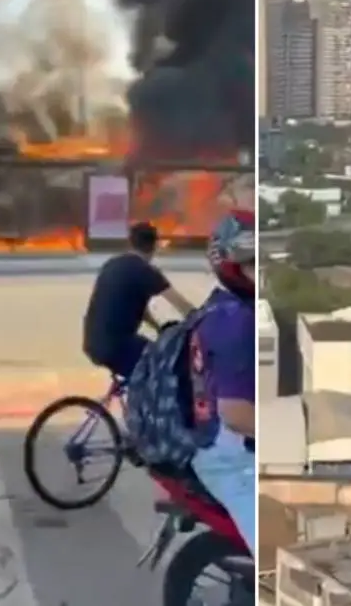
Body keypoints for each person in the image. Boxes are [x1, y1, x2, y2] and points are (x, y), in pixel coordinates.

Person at [186, 209, 259, 551]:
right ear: (232, 266)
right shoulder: (238, 321)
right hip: (231, 460)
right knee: (285, 562)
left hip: (214, 442)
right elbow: (236, 413)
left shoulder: (219, 306)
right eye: (254, 265)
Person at [81, 222, 197, 379]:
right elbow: (180, 304)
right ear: (154, 246)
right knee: (163, 365)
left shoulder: (112, 264)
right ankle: (146, 401)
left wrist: (158, 327)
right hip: (118, 345)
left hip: (92, 342)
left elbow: (135, 308)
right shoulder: (146, 271)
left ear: (130, 242)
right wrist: (201, 320)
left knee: (146, 359)